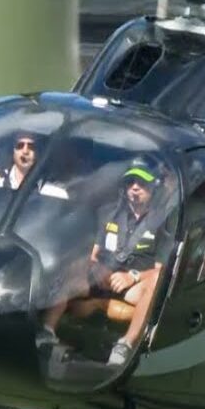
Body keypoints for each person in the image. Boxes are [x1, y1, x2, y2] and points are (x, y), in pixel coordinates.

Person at [39, 156, 173, 367]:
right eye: (130, 182)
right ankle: (47, 330)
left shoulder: (163, 222)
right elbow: (93, 254)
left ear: (153, 188)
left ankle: (126, 344)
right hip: (102, 277)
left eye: (141, 183)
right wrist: (98, 269)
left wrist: (132, 277)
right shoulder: (108, 212)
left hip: (133, 285)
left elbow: (160, 271)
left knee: (157, 282)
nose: (134, 188)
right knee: (75, 262)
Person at [0, 133, 68, 199]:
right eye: (20, 146)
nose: (25, 151)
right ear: (13, 151)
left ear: (39, 152)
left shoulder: (54, 193)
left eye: (31, 146)